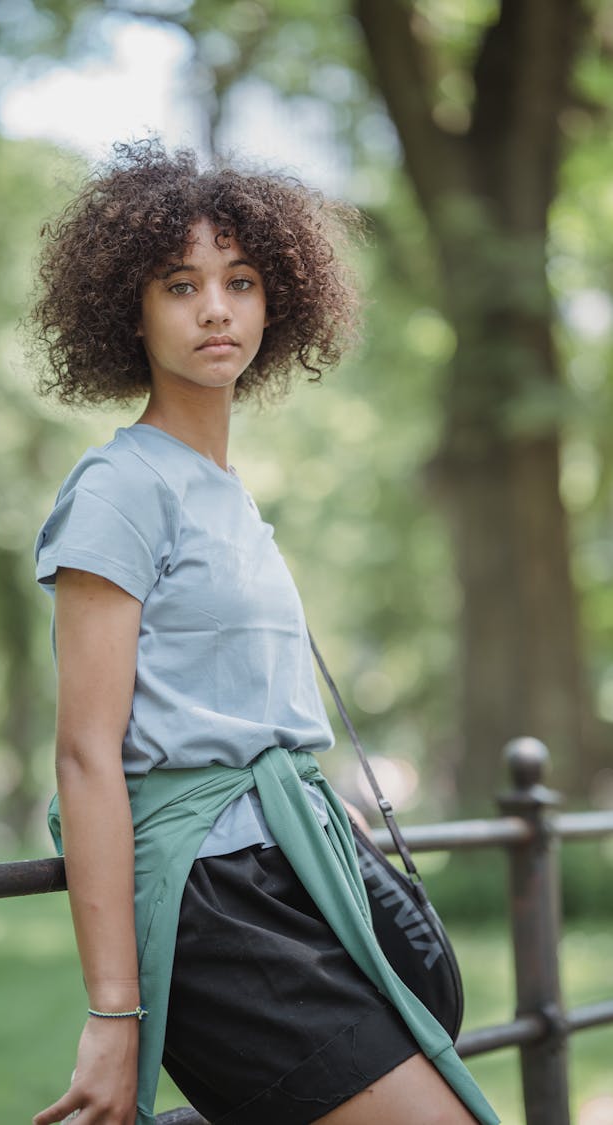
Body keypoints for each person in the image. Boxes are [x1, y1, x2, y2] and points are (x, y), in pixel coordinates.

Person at [29, 139, 499, 1125]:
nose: (215, 308)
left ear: (276, 299)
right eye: (181, 283)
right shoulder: (119, 489)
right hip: (209, 900)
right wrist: (114, 1013)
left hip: (289, 869)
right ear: (133, 307)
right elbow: (85, 756)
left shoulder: (227, 494)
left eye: (240, 281)